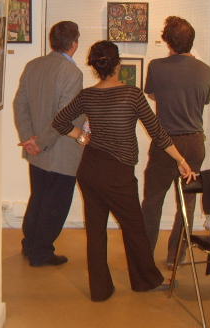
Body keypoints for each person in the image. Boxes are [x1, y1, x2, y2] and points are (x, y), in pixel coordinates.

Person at [47, 40, 195, 302]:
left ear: (96, 67)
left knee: (96, 231)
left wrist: (81, 136)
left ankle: (100, 290)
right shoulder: (131, 94)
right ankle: (145, 281)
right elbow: (158, 132)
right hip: (117, 173)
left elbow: (59, 121)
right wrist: (181, 159)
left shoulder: (88, 95)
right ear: (118, 64)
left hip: (90, 170)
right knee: (135, 228)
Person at [141, 16, 210, 269]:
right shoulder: (206, 70)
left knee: (152, 200)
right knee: (187, 202)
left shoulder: (157, 66)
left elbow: (152, 94)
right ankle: (176, 256)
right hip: (194, 142)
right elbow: (203, 101)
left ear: (168, 41)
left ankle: (144, 254)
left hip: (165, 142)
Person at [13, 21, 84, 267]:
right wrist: (40, 142)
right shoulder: (72, 73)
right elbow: (65, 117)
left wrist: (29, 138)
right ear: (74, 43)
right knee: (55, 204)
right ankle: (41, 252)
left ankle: (30, 244)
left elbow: (19, 105)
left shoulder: (33, 65)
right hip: (60, 151)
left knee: (39, 197)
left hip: (36, 149)